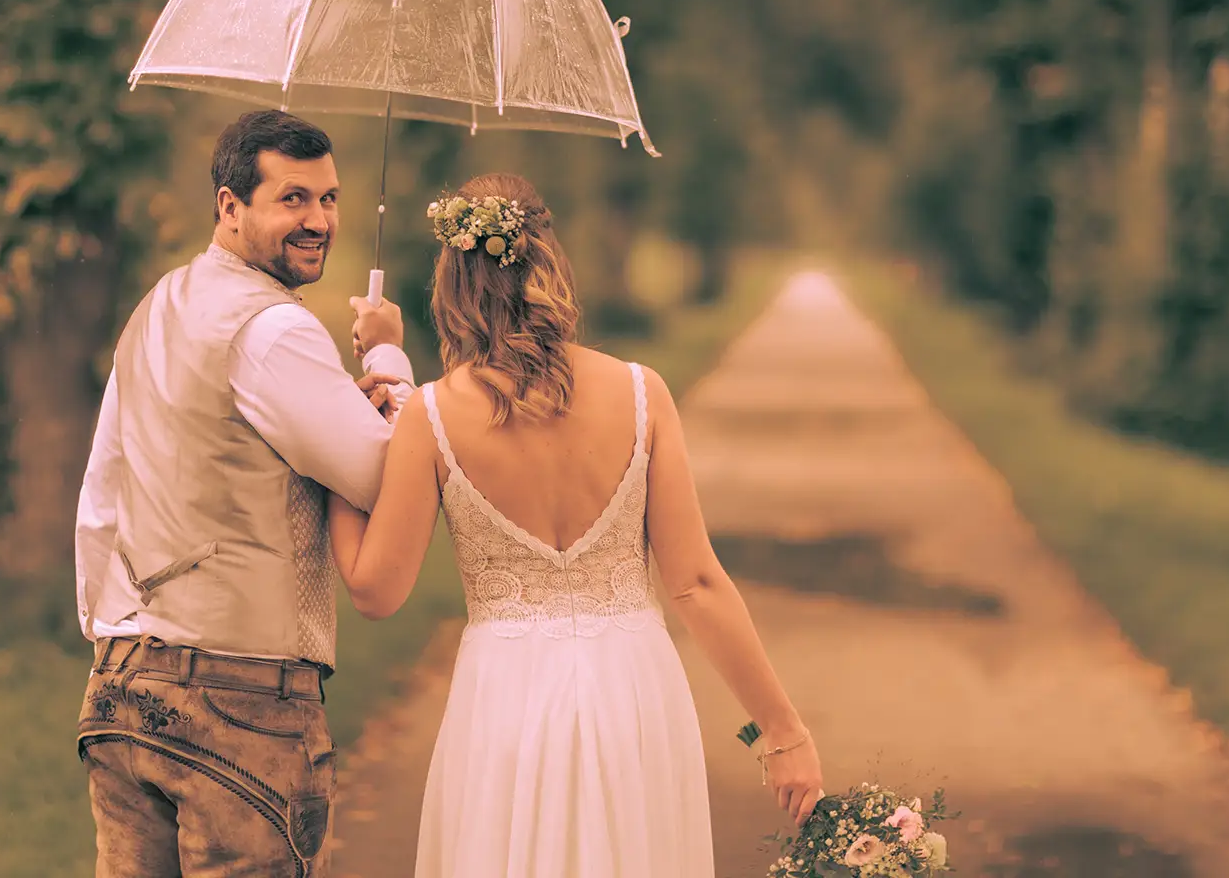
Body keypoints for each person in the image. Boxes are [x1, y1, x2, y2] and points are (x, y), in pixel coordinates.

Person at [328, 172, 825, 877]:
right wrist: (782, 730)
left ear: (452, 281)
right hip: (634, 694)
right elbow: (696, 585)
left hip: (504, 701)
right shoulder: (640, 392)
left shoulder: (429, 416)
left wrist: (344, 459)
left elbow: (376, 591)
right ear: (549, 261)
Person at [74, 110, 413, 878]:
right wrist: (389, 355)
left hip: (122, 690)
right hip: (243, 707)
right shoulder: (275, 331)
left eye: (329, 200)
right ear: (230, 206)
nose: (319, 220)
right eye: (293, 199)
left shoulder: (158, 304)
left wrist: (111, 629)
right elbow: (386, 478)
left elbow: (103, 490)